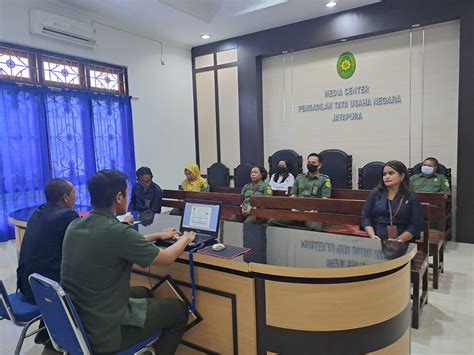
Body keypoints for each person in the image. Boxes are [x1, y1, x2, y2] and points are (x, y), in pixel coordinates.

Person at [61, 170, 196, 354]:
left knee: (145, 292)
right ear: (119, 197)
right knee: (179, 310)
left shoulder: (75, 225)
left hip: (79, 320)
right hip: (106, 332)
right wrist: (185, 239)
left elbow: (118, 242)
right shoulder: (117, 232)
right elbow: (166, 258)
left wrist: (157, 235)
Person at [16, 179, 78, 303]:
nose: (75, 198)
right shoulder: (67, 216)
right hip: (46, 290)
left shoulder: (38, 212)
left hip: (26, 283)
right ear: (66, 197)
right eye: (74, 194)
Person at [360, 160, 422, 242]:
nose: (387, 177)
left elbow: (415, 225)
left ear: (402, 176)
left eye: (391, 173)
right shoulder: (376, 193)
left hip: (403, 239)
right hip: (377, 237)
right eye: (384, 174)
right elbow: (366, 217)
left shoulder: (411, 197)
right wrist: (372, 236)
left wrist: (399, 240)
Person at [268, 153, 331, 231]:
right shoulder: (299, 178)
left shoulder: (324, 179)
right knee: (273, 221)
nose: (310, 164)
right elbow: (293, 196)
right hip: (297, 211)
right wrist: (293, 209)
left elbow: (324, 200)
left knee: (314, 227)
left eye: (313, 163)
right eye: (309, 162)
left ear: (319, 165)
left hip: (312, 213)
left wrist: (314, 211)